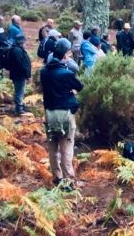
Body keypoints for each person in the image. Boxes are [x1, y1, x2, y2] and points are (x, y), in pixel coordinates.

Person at [39, 38, 83, 188]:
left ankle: (57, 177)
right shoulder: (66, 73)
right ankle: (68, 181)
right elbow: (79, 86)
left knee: (53, 147)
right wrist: (72, 90)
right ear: (64, 55)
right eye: (68, 53)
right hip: (65, 114)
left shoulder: (44, 72)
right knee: (66, 147)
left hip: (49, 113)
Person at [6, 34, 33, 116]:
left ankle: (20, 105)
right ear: (21, 42)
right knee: (19, 91)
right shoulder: (17, 51)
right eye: (25, 42)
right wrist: (27, 75)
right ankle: (19, 108)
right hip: (19, 75)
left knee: (20, 90)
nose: (26, 44)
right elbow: (21, 65)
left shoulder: (18, 49)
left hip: (19, 74)